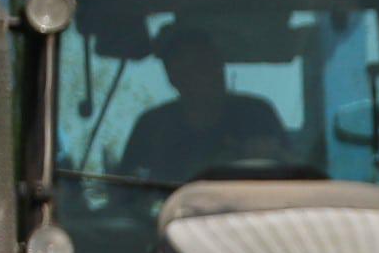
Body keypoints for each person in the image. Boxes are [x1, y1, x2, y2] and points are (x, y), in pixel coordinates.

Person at [121, 20, 291, 184]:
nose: (212, 73)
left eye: (215, 63)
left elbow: (293, 176)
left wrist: (268, 157)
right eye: (197, 66)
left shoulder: (257, 115)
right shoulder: (152, 129)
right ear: (173, 77)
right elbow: (127, 194)